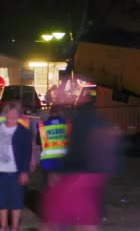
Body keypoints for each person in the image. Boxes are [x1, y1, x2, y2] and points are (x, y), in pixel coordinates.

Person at [40, 92, 121, 231]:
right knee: (83, 216)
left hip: (79, 175)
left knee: (60, 215)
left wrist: (60, 171)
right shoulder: (89, 119)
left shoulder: (80, 120)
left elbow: (75, 148)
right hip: (88, 175)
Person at [0, 102, 33, 231]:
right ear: (6, 113)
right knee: (1, 202)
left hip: (16, 172)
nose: (13, 115)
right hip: (1, 172)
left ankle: (15, 227)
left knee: (16, 202)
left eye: (16, 113)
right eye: (10, 112)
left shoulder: (23, 132)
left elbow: (27, 153)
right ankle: (3, 226)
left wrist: (24, 172)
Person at [36, 106, 70, 188]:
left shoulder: (42, 126)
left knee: (48, 189)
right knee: (62, 188)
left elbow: (38, 142)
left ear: (50, 113)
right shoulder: (67, 124)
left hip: (48, 162)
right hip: (63, 161)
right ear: (60, 113)